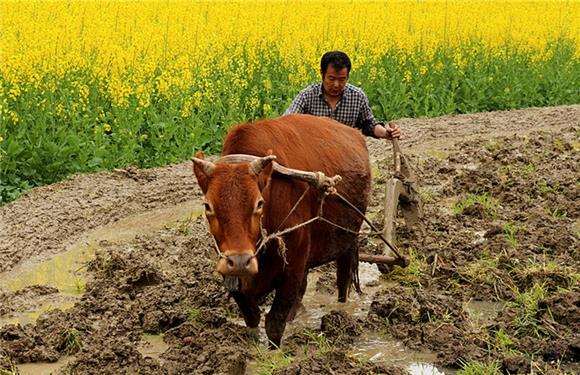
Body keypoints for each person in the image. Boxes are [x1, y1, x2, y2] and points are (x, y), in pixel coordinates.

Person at [285, 51, 401, 140]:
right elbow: (287, 121)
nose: (336, 85)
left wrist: (386, 133)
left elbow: (368, 124)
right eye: (331, 78)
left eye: (342, 79)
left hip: (345, 154)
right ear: (322, 74)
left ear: (348, 77)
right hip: (314, 154)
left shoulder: (357, 96)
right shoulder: (307, 96)